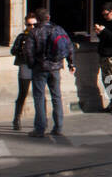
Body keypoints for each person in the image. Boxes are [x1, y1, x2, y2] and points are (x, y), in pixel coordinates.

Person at [26, 7, 75, 137]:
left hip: (40, 68)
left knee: (39, 97)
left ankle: (40, 128)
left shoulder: (34, 32)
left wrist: (32, 65)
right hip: (55, 68)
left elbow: (29, 52)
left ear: (37, 19)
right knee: (56, 96)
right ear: (48, 17)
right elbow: (69, 46)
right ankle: (58, 127)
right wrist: (71, 63)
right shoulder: (58, 29)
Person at [9, 12, 38, 131]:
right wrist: (22, 50)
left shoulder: (40, 35)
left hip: (37, 67)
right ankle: (17, 118)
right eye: (29, 25)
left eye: (34, 25)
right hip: (25, 66)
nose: (31, 27)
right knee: (23, 94)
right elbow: (13, 50)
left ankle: (41, 119)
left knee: (39, 94)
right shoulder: (22, 37)